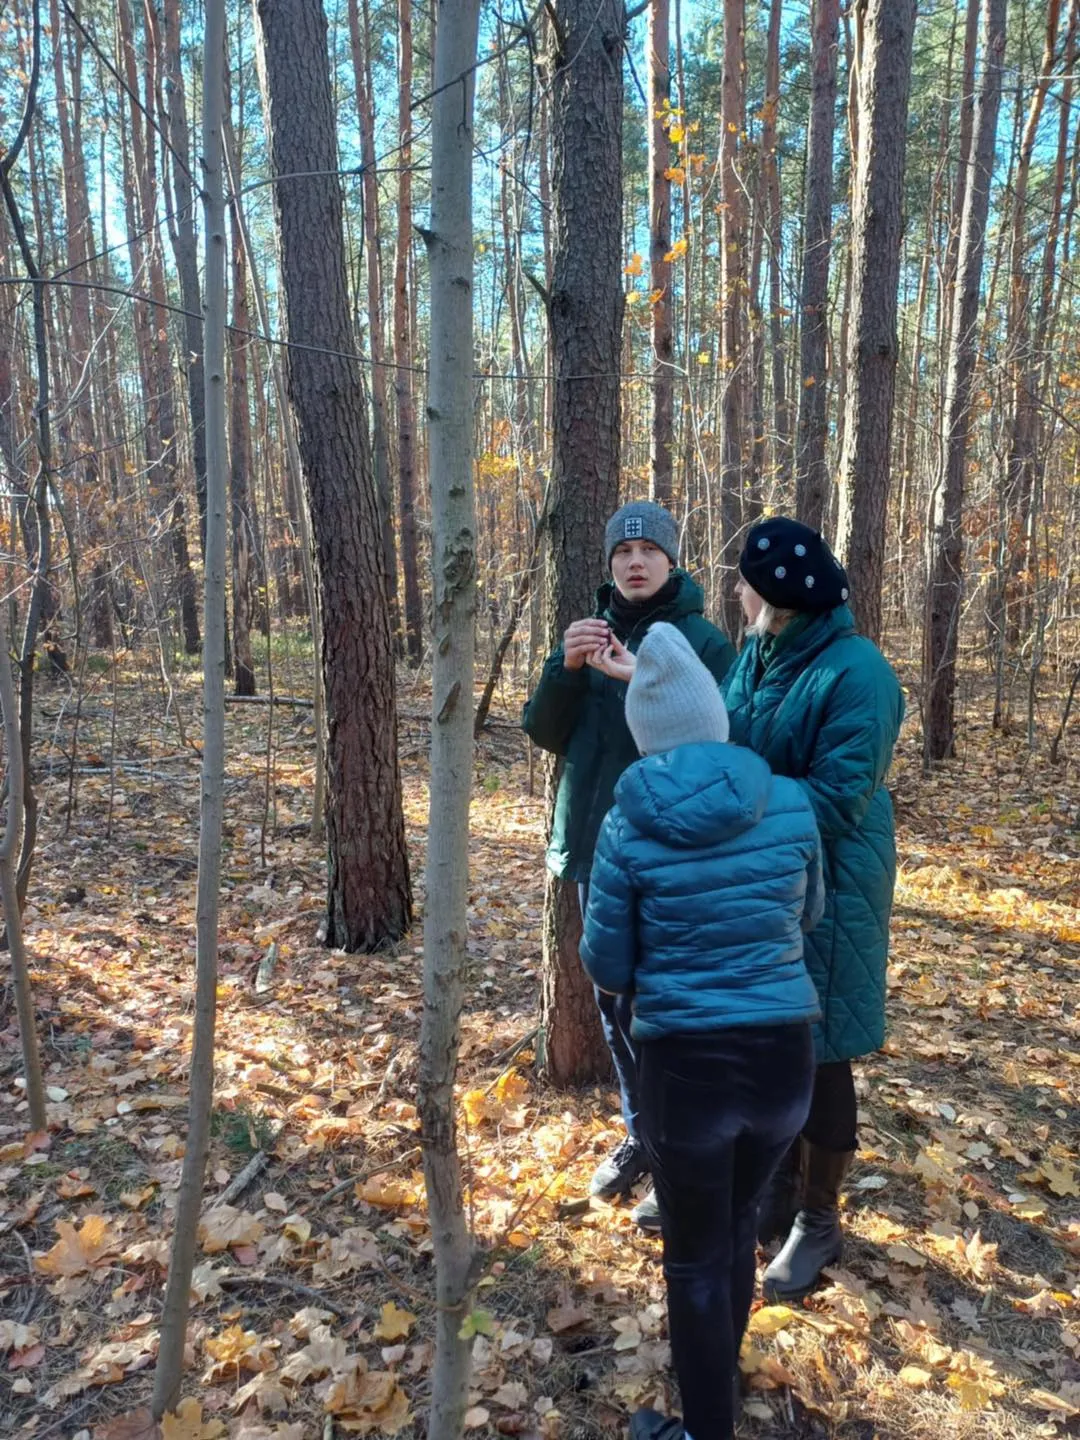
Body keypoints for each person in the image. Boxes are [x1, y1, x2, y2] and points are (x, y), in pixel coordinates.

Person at [580, 623, 823, 1440]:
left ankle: (703, 1429)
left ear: (645, 732)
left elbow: (607, 965)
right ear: (715, 719)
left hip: (686, 1069)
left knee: (692, 1258)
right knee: (737, 1224)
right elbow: (810, 914)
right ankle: (718, 1393)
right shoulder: (788, 801)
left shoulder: (626, 824)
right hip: (785, 1059)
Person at [522, 501, 736, 1229]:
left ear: (672, 561)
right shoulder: (590, 633)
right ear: (610, 564)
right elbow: (544, 730)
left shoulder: (701, 641)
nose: (635, 562)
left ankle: (686, 1154)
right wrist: (565, 666)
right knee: (614, 1008)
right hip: (594, 848)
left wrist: (648, 680)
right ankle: (643, 1136)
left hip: (671, 852)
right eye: (623, 552)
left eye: (649, 551)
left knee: (666, 1011)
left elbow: (723, 741)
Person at [724, 516, 905, 1303]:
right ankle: (778, 1186)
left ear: (778, 597)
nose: (737, 594)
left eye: (746, 584)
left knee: (821, 1048)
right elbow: (726, 734)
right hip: (765, 874)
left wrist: (732, 796)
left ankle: (820, 1218)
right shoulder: (761, 653)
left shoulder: (859, 673)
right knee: (772, 1040)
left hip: (834, 882)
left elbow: (834, 800)